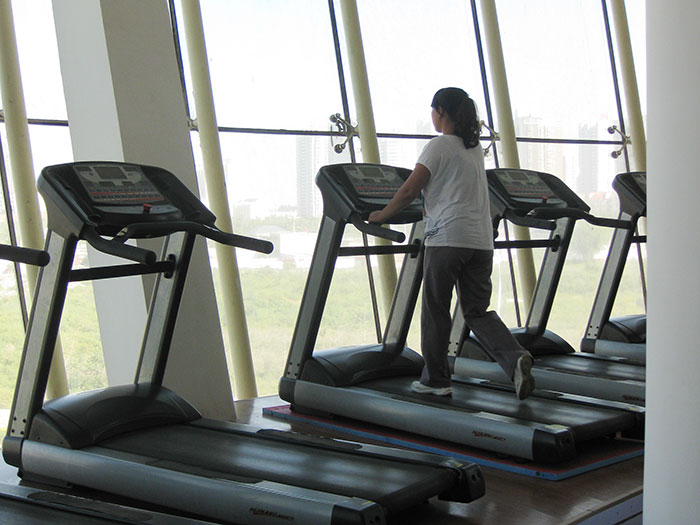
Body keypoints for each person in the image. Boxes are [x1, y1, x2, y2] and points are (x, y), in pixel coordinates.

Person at [368, 87, 536, 400]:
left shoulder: (439, 146)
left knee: (436, 310)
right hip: (481, 241)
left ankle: (436, 381)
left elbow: (409, 190)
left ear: (441, 111)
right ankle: (515, 358)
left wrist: (381, 215)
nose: (432, 116)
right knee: (476, 311)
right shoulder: (473, 149)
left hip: (447, 239)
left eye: (433, 111)